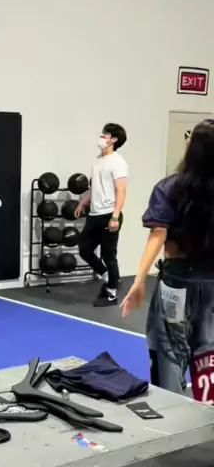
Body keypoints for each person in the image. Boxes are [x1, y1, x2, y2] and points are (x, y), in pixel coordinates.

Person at [121, 119, 214, 401]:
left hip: (178, 283)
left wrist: (139, 280)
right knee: (209, 350)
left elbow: (157, 235)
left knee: (170, 350)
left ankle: (172, 411)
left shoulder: (170, 188)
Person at [76, 123, 128, 306]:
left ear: (114, 139)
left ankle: (112, 293)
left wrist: (115, 217)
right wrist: (84, 201)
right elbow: (95, 186)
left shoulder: (118, 162)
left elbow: (121, 191)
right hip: (94, 214)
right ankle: (107, 275)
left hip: (109, 214)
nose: (102, 136)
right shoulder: (98, 160)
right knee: (84, 249)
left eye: (106, 134)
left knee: (109, 255)